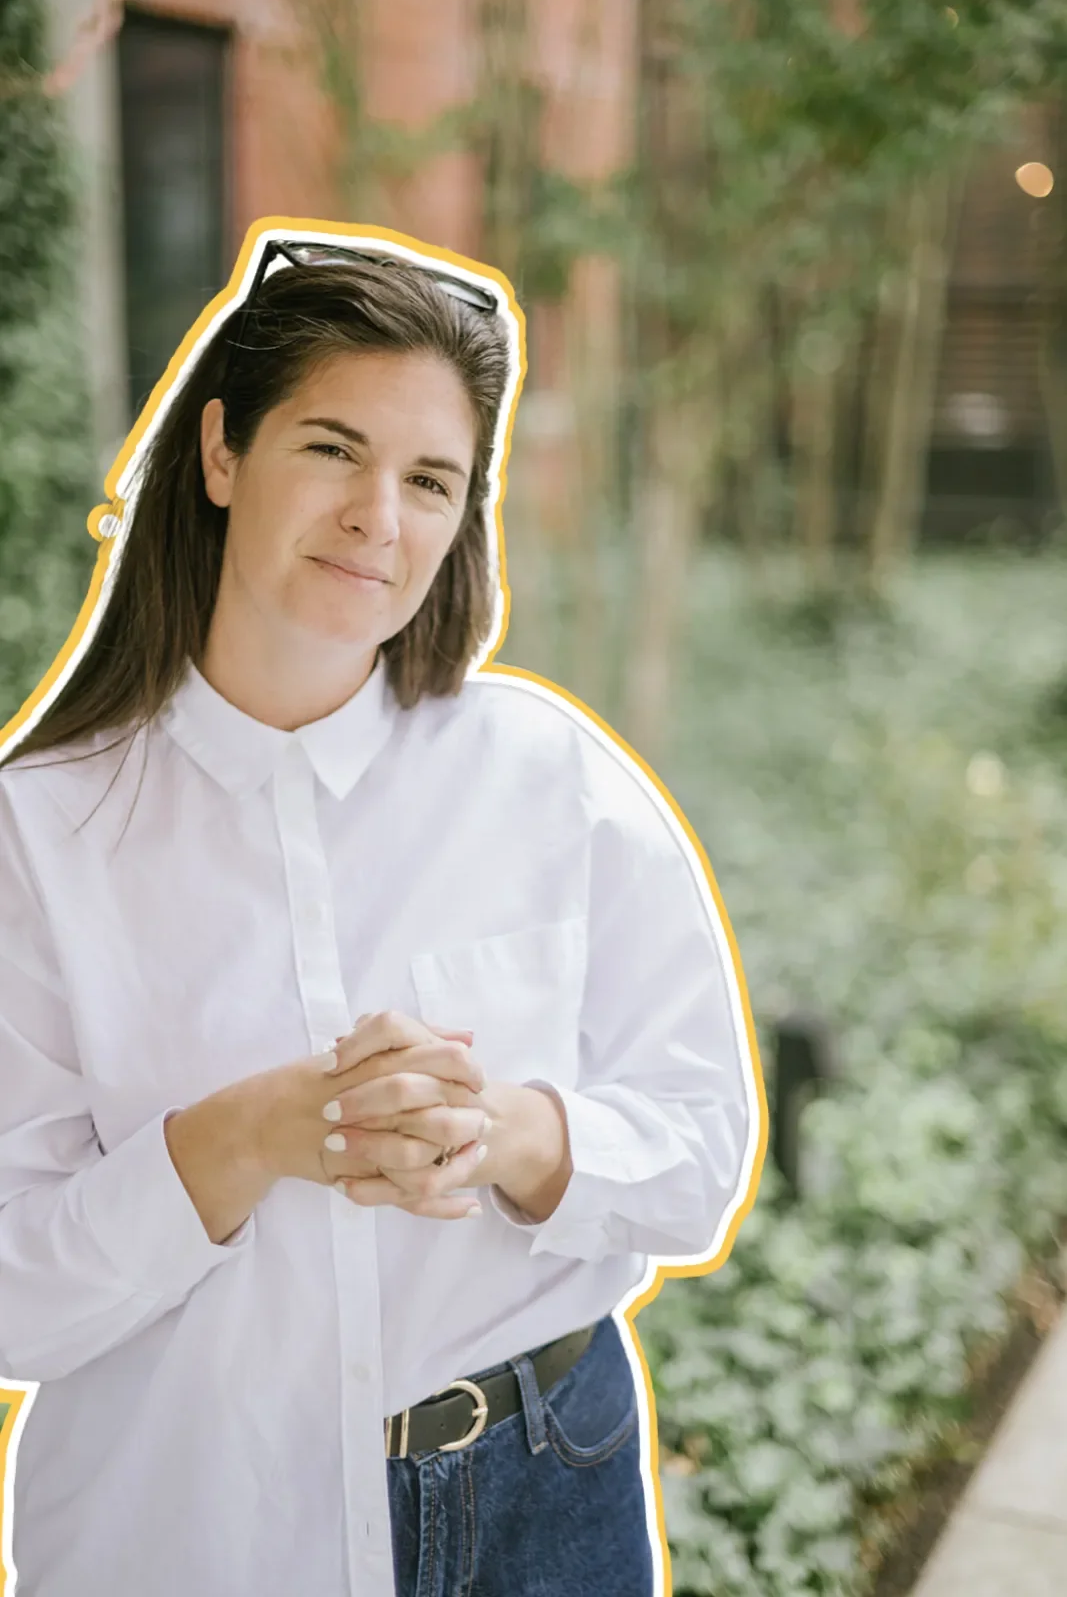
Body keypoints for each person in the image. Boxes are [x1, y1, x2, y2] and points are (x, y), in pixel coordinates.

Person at [0, 232, 760, 1597]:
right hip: (197, 1525)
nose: (379, 518)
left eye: (430, 480)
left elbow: (703, 1154)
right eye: (332, 449)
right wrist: (240, 1140)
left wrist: (512, 1132)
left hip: (547, 1493)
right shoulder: (39, 835)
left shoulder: (549, 776)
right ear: (222, 452)